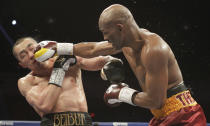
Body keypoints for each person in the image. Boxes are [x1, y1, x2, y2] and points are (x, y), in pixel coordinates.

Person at [35, 4, 207, 126]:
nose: (104, 38)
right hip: (162, 115)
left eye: (106, 33)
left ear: (120, 28)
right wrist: (58, 47)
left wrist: (122, 93)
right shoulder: (124, 43)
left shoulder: (154, 50)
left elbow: (155, 100)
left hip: (184, 116)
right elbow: (93, 48)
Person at [12, 37, 122, 126]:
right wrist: (59, 68)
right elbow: (45, 105)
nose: (31, 55)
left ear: (40, 46)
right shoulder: (26, 81)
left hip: (83, 121)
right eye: (23, 55)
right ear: (22, 64)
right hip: (53, 123)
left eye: (31, 48)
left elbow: (94, 61)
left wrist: (110, 60)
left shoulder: (67, 58)